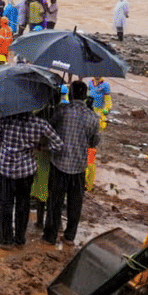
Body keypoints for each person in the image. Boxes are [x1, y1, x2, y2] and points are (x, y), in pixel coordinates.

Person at [0, 110, 63, 248]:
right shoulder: (40, 123)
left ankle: (6, 240)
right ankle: (20, 240)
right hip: (26, 171)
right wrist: (42, 146)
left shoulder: (5, 120)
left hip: (6, 169)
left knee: (6, 205)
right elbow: (59, 144)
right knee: (23, 205)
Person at [46, 81, 100, 245]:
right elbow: (93, 142)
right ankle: (69, 237)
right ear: (84, 96)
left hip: (59, 163)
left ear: (70, 94)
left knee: (54, 202)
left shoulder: (61, 111)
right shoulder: (93, 117)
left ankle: (50, 236)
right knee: (75, 204)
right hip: (79, 167)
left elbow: (49, 129)